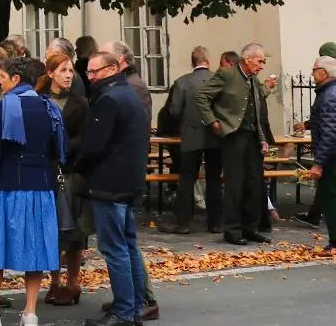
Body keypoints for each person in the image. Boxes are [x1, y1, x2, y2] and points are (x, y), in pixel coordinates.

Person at [0, 56, 63, 326]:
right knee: (35, 250)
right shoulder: (49, 106)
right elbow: (56, 151)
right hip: (41, 187)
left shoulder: (5, 107)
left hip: (9, 186)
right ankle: (30, 312)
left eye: (2, 78)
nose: (0, 84)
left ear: (15, 79)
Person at [78, 51, 149, 326]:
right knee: (128, 244)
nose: (91, 77)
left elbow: (94, 146)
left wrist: (80, 167)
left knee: (114, 247)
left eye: (94, 72)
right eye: (89, 73)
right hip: (128, 181)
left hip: (109, 183)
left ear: (110, 69)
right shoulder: (128, 93)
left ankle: (123, 311)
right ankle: (134, 305)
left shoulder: (108, 98)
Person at [196, 43, 276, 245]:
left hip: (252, 137)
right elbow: (201, 96)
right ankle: (232, 230)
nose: (262, 65)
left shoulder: (253, 80)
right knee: (235, 185)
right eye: (260, 61)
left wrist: (262, 138)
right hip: (233, 135)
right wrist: (213, 121)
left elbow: (257, 110)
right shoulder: (227, 74)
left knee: (254, 184)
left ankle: (250, 228)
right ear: (247, 59)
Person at [41, 52, 89, 307]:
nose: (69, 75)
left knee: (73, 232)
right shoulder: (40, 100)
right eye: (63, 70)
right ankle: (54, 281)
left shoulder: (80, 103)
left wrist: (62, 146)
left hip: (70, 171)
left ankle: (73, 281)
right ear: (50, 73)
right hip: (46, 170)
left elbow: (84, 138)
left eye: (71, 70)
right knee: (51, 231)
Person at [159, 46, 217, 235]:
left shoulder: (182, 82)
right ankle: (215, 222)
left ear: (192, 62)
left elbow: (174, 111)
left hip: (190, 135)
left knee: (187, 178)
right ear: (207, 61)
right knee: (214, 178)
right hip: (215, 135)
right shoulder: (218, 80)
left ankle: (183, 222)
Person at [304, 55, 336, 255]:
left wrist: (318, 163)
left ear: (323, 72)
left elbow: (329, 132)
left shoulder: (329, 95)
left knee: (331, 195)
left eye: (315, 69)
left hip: (332, 154)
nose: (312, 72)